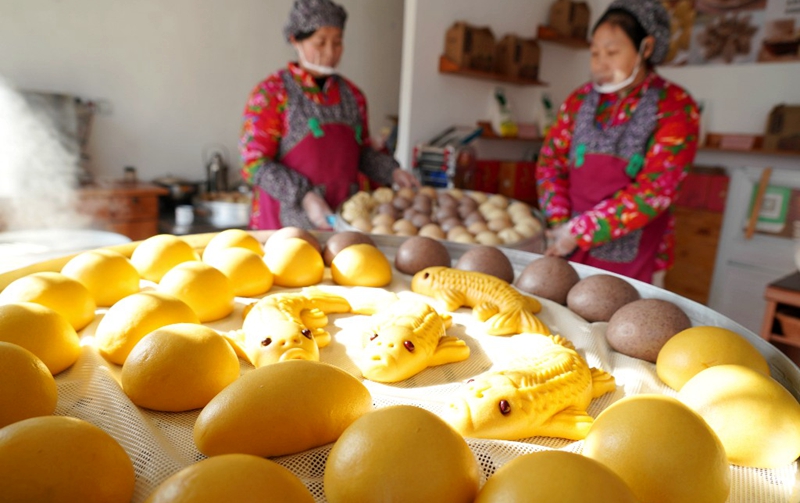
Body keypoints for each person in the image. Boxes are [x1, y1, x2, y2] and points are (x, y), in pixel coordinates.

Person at [535, 0, 700, 285]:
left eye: (612, 52)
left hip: (636, 252)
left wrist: (582, 231)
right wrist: (560, 222)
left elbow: (655, 189)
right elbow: (550, 163)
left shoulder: (674, 106)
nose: (600, 63)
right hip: (567, 245)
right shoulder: (579, 100)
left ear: (645, 49)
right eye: (595, 52)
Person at [239, 0, 418, 230]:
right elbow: (254, 164)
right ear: (296, 40)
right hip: (283, 228)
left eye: (338, 42)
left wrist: (392, 171)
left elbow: (360, 152)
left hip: (343, 223)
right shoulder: (272, 93)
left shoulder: (353, 96)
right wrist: (305, 195)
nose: (330, 52)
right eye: (320, 42)